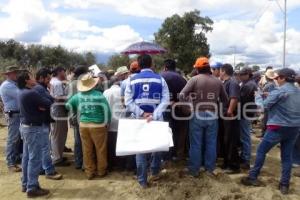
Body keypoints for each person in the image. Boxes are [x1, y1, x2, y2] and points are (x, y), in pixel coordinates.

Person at [241, 68, 300, 195]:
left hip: (277, 127)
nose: (276, 80)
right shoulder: (297, 91)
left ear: (283, 78)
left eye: (277, 78)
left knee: (261, 151)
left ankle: (252, 177)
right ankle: (284, 185)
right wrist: (270, 96)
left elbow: (262, 107)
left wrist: (258, 97)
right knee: (287, 156)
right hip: (294, 128)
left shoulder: (279, 91)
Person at [124, 54, 170, 188]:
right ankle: (155, 172)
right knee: (157, 147)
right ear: (151, 64)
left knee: (140, 150)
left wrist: (142, 113)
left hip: (138, 120)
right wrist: (154, 115)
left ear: (138, 65)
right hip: (156, 120)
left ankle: (142, 181)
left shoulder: (131, 80)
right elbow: (165, 100)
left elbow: (128, 102)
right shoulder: (160, 79)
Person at [179, 57, 228, 177]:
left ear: (197, 68)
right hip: (212, 115)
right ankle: (209, 169)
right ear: (208, 68)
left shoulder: (194, 80)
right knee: (211, 143)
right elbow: (225, 99)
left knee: (196, 143)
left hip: (197, 114)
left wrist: (189, 108)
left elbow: (181, 95)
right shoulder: (217, 81)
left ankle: (194, 170)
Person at [66, 73, 111, 180]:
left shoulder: (77, 96)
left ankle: (89, 172)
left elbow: (67, 105)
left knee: (87, 149)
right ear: (93, 84)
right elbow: (107, 111)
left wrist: (77, 110)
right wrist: (107, 122)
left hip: (83, 125)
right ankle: (101, 171)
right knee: (100, 149)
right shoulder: (99, 95)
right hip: (98, 125)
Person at [17, 71, 52, 197]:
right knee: (34, 158)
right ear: (27, 80)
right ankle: (32, 187)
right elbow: (49, 102)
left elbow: (44, 104)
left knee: (27, 157)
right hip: (33, 128)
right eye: (31, 77)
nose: (34, 79)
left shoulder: (22, 92)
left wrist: (40, 106)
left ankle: (26, 183)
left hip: (26, 127)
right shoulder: (31, 93)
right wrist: (41, 105)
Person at [34, 68, 63, 180]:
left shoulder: (41, 88)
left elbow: (50, 100)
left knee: (42, 147)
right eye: (47, 78)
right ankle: (49, 171)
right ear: (41, 78)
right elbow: (49, 101)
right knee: (45, 147)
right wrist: (50, 99)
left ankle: (42, 168)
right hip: (42, 122)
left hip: (42, 120)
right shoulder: (40, 89)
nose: (49, 81)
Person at [160, 59, 187, 160]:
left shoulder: (160, 77)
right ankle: (178, 155)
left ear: (165, 67)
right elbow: (187, 95)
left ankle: (166, 156)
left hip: (164, 109)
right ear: (175, 68)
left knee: (166, 131)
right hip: (179, 109)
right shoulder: (182, 79)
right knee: (179, 132)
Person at [103, 67, 127, 170]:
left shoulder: (105, 93)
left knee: (110, 144)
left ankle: (111, 164)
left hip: (109, 121)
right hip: (121, 121)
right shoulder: (123, 92)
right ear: (118, 83)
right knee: (121, 143)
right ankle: (121, 165)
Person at [219, 64, 241, 174]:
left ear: (223, 71)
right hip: (224, 115)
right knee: (226, 140)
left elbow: (234, 98)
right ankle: (227, 162)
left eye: (220, 71)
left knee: (231, 140)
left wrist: (229, 111)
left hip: (229, 115)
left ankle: (233, 166)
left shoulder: (233, 82)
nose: (219, 73)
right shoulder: (226, 82)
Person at [66, 66, 89, 170]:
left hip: (73, 116)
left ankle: (78, 162)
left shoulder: (70, 85)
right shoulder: (84, 83)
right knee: (85, 141)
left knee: (77, 141)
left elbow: (67, 102)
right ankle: (85, 163)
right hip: (84, 115)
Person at [0, 66, 22, 172]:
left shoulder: (13, 84)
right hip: (13, 115)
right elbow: (21, 95)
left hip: (17, 114)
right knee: (13, 139)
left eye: (17, 73)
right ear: (8, 75)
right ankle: (10, 163)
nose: (17, 75)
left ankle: (15, 158)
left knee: (17, 138)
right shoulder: (7, 86)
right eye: (14, 73)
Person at [49, 67, 69, 166]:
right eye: (63, 71)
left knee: (58, 134)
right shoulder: (57, 83)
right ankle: (57, 158)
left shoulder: (54, 81)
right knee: (57, 135)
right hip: (58, 110)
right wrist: (69, 97)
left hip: (57, 110)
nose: (65, 73)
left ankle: (58, 155)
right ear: (59, 72)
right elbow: (57, 98)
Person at [239, 67, 257, 169]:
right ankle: (244, 156)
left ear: (247, 74)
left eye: (242, 75)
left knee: (245, 137)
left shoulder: (249, 85)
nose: (240, 77)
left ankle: (246, 159)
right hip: (248, 112)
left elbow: (241, 100)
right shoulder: (250, 84)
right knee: (244, 136)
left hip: (245, 113)